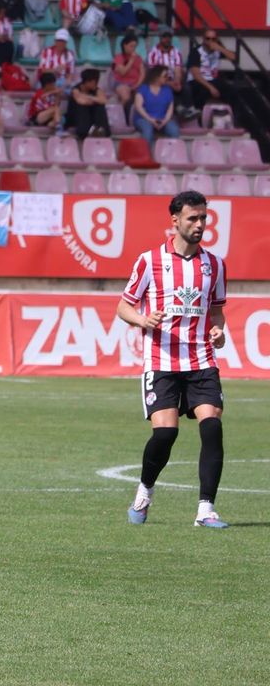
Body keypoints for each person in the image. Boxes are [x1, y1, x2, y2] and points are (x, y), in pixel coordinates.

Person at [116, 191, 229, 530]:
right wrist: (142, 320)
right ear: (175, 221)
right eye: (192, 218)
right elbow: (124, 306)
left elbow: (218, 312)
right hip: (161, 360)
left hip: (201, 360)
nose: (199, 225)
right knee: (165, 434)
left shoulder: (215, 264)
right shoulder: (149, 261)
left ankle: (205, 509)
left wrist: (219, 332)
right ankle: (145, 491)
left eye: (203, 218)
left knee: (212, 427)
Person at [132, 64, 178, 148]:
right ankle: (145, 156)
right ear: (156, 77)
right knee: (148, 130)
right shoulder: (143, 88)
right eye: (165, 76)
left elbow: (170, 109)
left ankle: (172, 155)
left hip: (162, 118)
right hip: (144, 118)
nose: (167, 78)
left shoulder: (168, 89)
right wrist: (150, 120)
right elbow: (138, 107)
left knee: (174, 130)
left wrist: (165, 121)